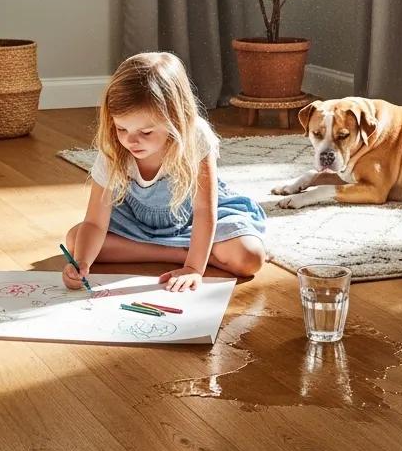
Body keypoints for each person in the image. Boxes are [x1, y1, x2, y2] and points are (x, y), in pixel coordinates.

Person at [63, 52, 266, 293]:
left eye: (146, 132)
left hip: (194, 219)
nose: (131, 140)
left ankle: (190, 252)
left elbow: (204, 211)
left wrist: (193, 267)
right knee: (77, 241)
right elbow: (96, 222)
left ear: (176, 120)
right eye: (121, 128)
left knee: (249, 256)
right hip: (136, 222)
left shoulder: (195, 136)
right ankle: (177, 252)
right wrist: (83, 263)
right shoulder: (113, 147)